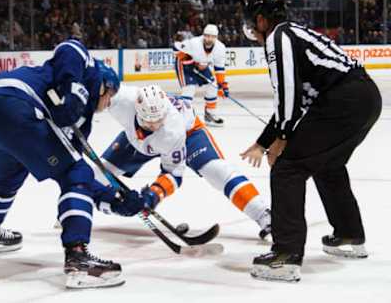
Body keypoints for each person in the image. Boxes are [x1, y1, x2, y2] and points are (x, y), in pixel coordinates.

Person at [0, 38, 144, 289]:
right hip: (16, 103)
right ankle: (78, 257)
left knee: (10, 173)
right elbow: (70, 47)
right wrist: (72, 88)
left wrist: (113, 200)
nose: (109, 103)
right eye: (110, 96)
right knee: (76, 171)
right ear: (104, 87)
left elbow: (78, 177)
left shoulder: (81, 122)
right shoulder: (88, 73)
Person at [240, 0, 382, 282]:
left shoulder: (278, 38)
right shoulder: (292, 34)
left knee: (287, 169)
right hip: (364, 97)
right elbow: (295, 99)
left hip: (343, 101)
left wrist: (281, 140)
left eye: (253, 22)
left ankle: (286, 255)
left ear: (262, 20)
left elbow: (288, 94)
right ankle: (348, 235)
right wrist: (263, 142)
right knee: (326, 164)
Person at [95, 84, 271, 239]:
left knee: (217, 170)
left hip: (188, 134)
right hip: (135, 139)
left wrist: (153, 196)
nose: (155, 126)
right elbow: (98, 80)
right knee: (94, 176)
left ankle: (263, 214)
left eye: (159, 120)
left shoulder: (172, 130)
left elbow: (173, 173)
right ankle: (81, 212)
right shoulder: (122, 100)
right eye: (149, 122)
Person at [173, 24, 229, 127]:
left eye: (212, 37)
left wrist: (222, 85)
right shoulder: (194, 43)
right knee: (189, 89)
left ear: (216, 37)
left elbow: (219, 68)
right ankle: (183, 117)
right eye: (207, 36)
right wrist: (189, 61)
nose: (209, 39)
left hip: (201, 65)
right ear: (203, 35)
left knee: (213, 86)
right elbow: (176, 48)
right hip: (184, 66)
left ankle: (209, 115)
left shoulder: (220, 48)